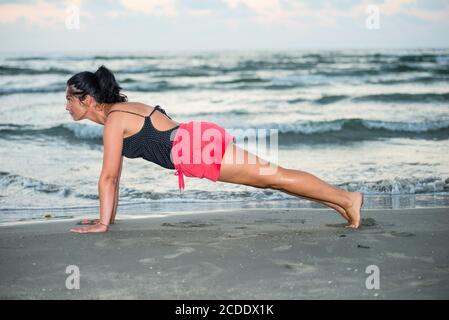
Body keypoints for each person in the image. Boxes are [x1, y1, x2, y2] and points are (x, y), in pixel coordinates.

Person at [67, 65, 363, 234]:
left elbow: (109, 177)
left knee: (275, 176)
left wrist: (103, 224)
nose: (67, 105)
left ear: (88, 100)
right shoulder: (121, 111)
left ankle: (348, 198)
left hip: (193, 147)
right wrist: (108, 219)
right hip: (193, 142)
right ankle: (339, 203)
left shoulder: (115, 120)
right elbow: (114, 178)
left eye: (70, 99)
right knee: (272, 180)